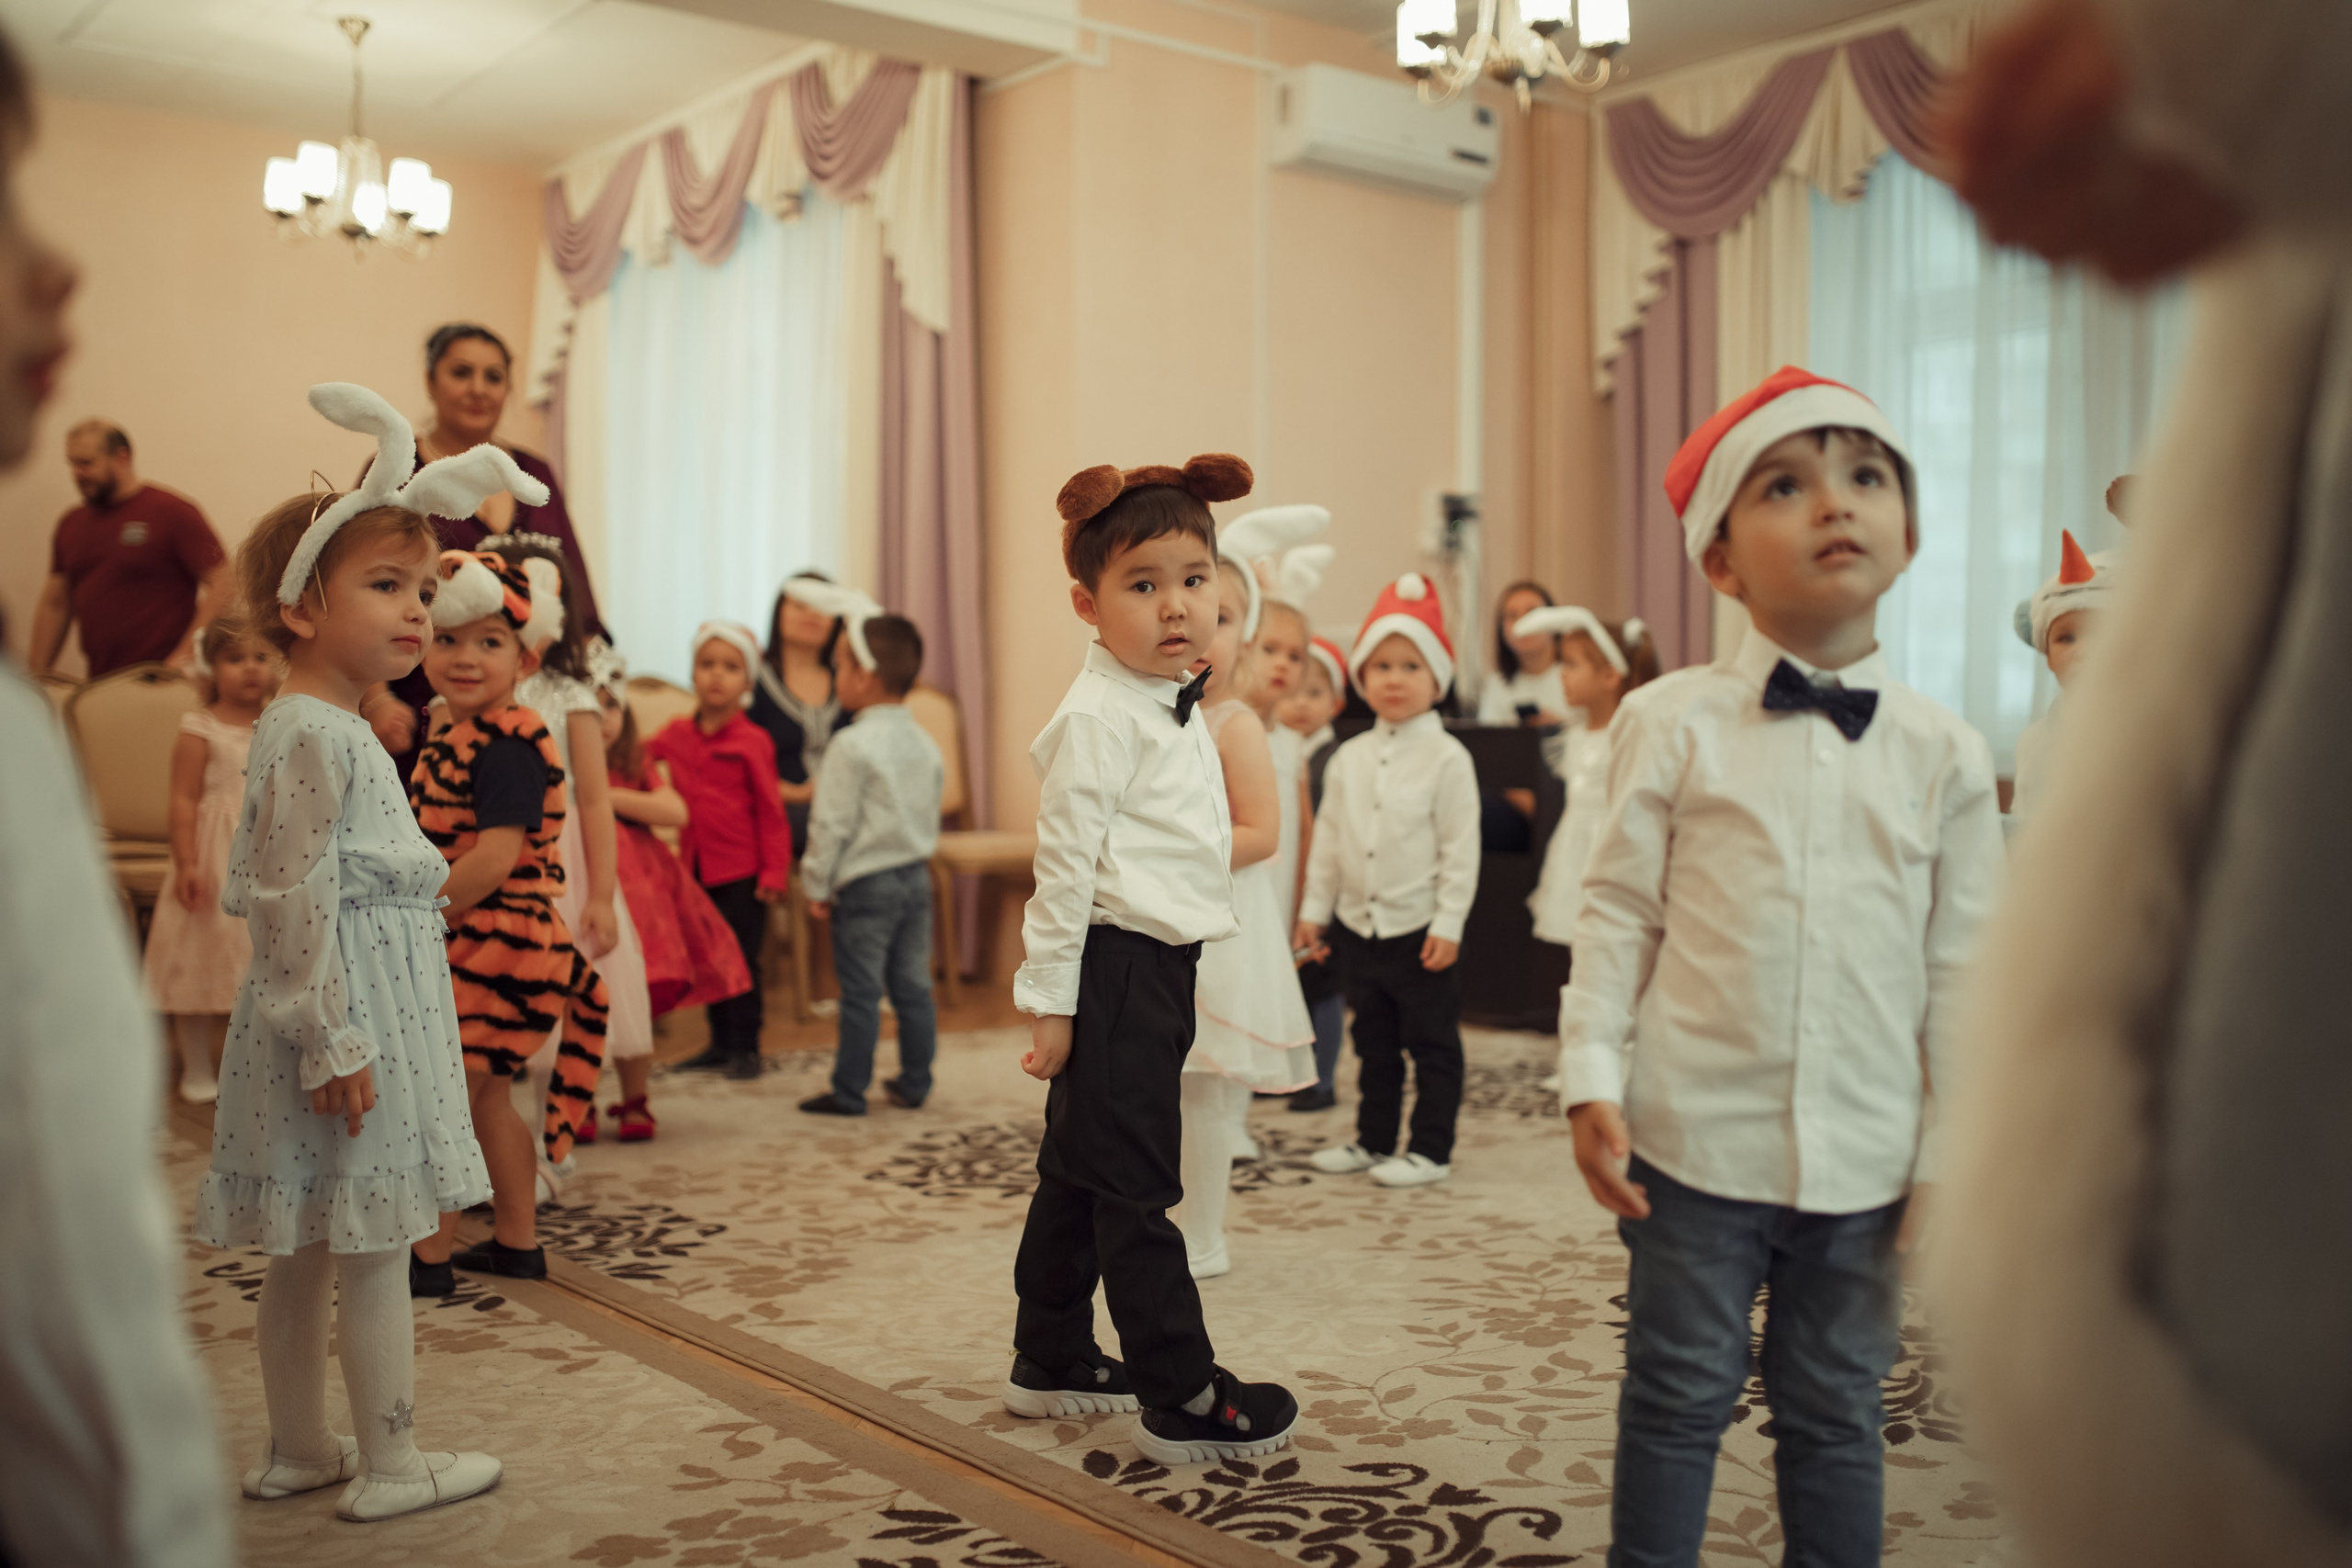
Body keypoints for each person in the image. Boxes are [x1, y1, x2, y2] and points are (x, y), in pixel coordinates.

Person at [1556, 366, 2004, 1568]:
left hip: (1868, 1155)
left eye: (1866, 476)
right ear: (1720, 560)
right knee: (1676, 1395)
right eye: (1787, 483)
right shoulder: (1668, 719)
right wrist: (1591, 1068)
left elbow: (1965, 969)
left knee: (1836, 1410)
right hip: (1693, 1142)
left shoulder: (1947, 751)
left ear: (1908, 532)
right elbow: (1617, 913)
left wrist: (1953, 1147)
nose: (1834, 504)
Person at [194, 382, 510, 1522]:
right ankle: (390, 1465)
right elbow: (287, 898)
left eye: (424, 589)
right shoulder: (314, 735)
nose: (420, 613)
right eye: (388, 587)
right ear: (300, 607)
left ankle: (299, 1449)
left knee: (310, 1246)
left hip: (347, 1011)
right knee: (372, 1244)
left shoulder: (327, 725)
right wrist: (331, 1039)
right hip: (343, 1023)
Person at [0, 28, 232, 1559]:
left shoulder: (168, 513)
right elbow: (72, 1315)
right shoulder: (72, 545)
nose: (58, 264)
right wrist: (48, 688)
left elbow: (216, 590)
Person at [1001, 453, 1298, 1465]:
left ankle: (1048, 1354)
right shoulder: (1097, 719)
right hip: (1111, 968)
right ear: (1088, 604)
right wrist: (1050, 1002)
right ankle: (1181, 1388)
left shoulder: (1168, 695)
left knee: (1081, 1169)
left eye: (1193, 580)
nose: (1174, 607)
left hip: (1157, 967)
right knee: (1133, 1184)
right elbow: (1064, 868)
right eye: (1141, 586)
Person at [404, 547, 609, 1292]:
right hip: (488, 938)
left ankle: (429, 1259)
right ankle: (516, 1243)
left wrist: (419, 915)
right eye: (449, 638)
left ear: (526, 658)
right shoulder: (457, 728)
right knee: (484, 1094)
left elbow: (493, 859)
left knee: (452, 1096)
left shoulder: (510, 742)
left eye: (490, 642)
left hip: (500, 941)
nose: (465, 658)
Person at [1295, 574, 1480, 1189]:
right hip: (1358, 926)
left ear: (1437, 679)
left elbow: (1460, 849)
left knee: (1430, 1044)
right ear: (1362, 677)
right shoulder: (1348, 758)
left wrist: (1450, 923)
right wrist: (1315, 910)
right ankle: (1374, 1139)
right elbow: (1327, 841)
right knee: (1371, 1042)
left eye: (1410, 665)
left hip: (1419, 928)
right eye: (1380, 665)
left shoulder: (1449, 758)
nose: (1394, 679)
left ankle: (1431, 1147)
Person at [359, 322, 602, 769]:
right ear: (431, 381)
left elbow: (577, 595)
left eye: (493, 377)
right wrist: (375, 699)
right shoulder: (397, 468)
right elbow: (366, 589)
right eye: (461, 372)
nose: (478, 389)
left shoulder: (536, 473)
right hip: (423, 702)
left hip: (536, 704)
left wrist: (602, 688)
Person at [1171, 555, 1315, 1280]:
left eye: (1224, 619)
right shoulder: (1149, 712)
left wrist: (1174, 853)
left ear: (1244, 641)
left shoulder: (1235, 725)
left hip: (1218, 927)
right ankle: (1160, 1219)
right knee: (1159, 1083)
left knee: (1205, 1085)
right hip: (1157, 923)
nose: (1202, 629)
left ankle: (1204, 1233)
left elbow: (1263, 833)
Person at [485, 535, 651, 1149]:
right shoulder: (472, 694)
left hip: (567, 862)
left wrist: (602, 894)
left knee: (573, 974)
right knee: (505, 987)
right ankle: (500, 1124)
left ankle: (563, 1117)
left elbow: (595, 798)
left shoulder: (575, 697)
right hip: (494, 859)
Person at [796, 604, 944, 1117]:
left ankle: (849, 1090)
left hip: (865, 886)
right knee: (913, 986)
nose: (835, 676)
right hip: (916, 880)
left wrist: (815, 884)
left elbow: (831, 823)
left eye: (839, 666)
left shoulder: (850, 744)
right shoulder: (925, 743)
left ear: (864, 674)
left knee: (860, 992)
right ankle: (916, 1080)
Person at [599, 672, 753, 1141]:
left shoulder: (631, 763)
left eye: (611, 705)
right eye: (590, 704)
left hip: (640, 897)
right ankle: (575, 1102)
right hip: (581, 890)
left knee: (633, 995)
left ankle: (634, 1100)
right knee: (582, 999)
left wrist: (608, 797)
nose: (601, 717)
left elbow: (676, 812)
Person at [645, 622, 792, 1080]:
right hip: (696, 870)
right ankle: (718, 1044)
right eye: (707, 664)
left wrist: (773, 874)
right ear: (693, 672)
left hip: (743, 873)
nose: (716, 675)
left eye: (730, 667)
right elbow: (638, 755)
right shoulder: (676, 734)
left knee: (744, 961)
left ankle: (746, 1047)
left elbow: (771, 814)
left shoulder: (753, 741)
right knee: (709, 958)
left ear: (747, 682)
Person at [142, 618, 278, 1103]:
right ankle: (195, 1064)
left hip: (264, 853)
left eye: (261, 658)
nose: (250, 669)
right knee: (198, 956)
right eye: (235, 658)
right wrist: (186, 863)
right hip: (212, 854)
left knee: (254, 960)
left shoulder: (277, 722)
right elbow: (182, 799)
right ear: (212, 666)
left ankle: (252, 1064)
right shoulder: (199, 726)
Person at [28, 419, 231, 678]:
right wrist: (33, 679)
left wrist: (182, 659)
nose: (77, 473)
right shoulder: (71, 523)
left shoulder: (169, 511)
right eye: (72, 463)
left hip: (162, 679)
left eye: (86, 463)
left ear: (121, 458)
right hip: (100, 681)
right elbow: (55, 603)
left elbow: (225, 584)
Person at [1515, 607, 1657, 949]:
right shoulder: (1572, 737)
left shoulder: (1628, 737)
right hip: (1571, 858)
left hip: (1611, 858)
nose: (1561, 675)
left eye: (1572, 664)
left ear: (1610, 675)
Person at [1279, 633, 1351, 1113]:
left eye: (1315, 694)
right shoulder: (1274, 752)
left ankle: (1321, 1079)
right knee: (1280, 983)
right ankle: (1280, 1073)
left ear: (1337, 702)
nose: (1300, 705)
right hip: (1280, 885)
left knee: (1320, 983)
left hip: (1322, 891)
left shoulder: (1338, 760)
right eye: (1291, 693)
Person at [2007, 529, 2117, 822]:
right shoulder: (2033, 742)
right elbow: (2023, 824)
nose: (2084, 651)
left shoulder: (2157, 737)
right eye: (2066, 639)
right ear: (2048, 658)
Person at [749, 572, 848, 857]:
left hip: (845, 804)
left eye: (821, 607)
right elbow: (735, 765)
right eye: (799, 605)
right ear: (778, 613)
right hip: (782, 808)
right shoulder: (752, 682)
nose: (811, 615)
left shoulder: (851, 683)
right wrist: (799, 794)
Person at [1476, 579, 1575, 727]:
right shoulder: (1496, 686)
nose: (1523, 623)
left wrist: (1560, 729)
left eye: (1532, 612)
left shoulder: (1575, 677)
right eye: (1512, 615)